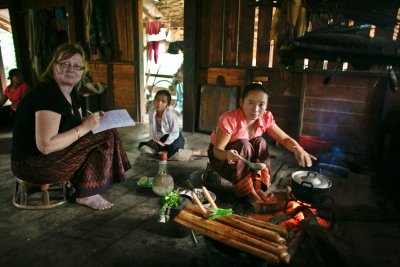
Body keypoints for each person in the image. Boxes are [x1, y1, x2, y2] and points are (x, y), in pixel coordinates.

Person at [11, 43, 132, 211]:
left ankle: (88, 186)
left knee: (105, 129)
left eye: (77, 66)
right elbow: (46, 146)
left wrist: (92, 120)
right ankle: (87, 193)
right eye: (64, 63)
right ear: (54, 66)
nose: (71, 69)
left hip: (45, 160)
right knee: (105, 135)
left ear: (83, 72)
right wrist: (84, 127)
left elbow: (69, 122)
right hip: (33, 165)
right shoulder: (49, 94)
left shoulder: (70, 93)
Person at [207, 82, 317, 212]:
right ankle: (248, 193)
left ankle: (258, 187)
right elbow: (217, 151)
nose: (256, 109)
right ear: (241, 102)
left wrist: (298, 148)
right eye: (251, 103)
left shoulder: (265, 118)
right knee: (244, 145)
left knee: (261, 142)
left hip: (244, 157)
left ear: (266, 105)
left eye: (261, 104)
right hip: (222, 159)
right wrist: (227, 154)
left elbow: (284, 139)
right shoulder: (230, 120)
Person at [138, 89, 207, 161]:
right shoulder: (152, 112)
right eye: (157, 100)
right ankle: (162, 153)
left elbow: (175, 132)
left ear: (168, 104)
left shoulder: (170, 114)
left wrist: (165, 144)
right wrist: (154, 139)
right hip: (160, 139)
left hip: (174, 138)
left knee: (175, 155)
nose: (159, 103)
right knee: (144, 148)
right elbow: (151, 126)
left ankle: (196, 152)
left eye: (163, 101)